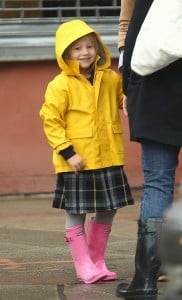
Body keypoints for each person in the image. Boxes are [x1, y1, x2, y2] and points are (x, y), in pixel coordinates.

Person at [40, 19, 134, 285]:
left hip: (109, 156)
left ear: (98, 49)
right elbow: (51, 120)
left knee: (110, 209)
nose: (85, 52)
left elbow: (120, 100)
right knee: (76, 212)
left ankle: (96, 262)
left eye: (90, 46)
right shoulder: (60, 85)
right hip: (77, 160)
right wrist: (68, 152)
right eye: (77, 48)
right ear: (66, 53)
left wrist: (130, 97)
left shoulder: (110, 78)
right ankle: (83, 266)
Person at [116, 0, 182, 298]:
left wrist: (128, 84)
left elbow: (130, 28)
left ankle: (145, 279)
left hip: (155, 83)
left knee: (157, 180)